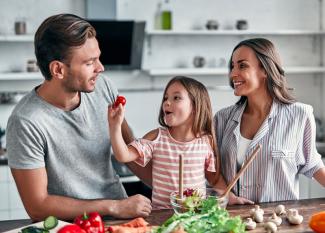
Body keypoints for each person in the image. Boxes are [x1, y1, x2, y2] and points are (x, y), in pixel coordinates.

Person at [6, 13, 152, 221]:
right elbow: (37, 206)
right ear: (58, 69)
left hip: (122, 218)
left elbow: (131, 152)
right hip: (74, 225)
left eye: (98, 58)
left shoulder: (103, 87)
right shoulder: (26, 122)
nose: (100, 68)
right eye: (89, 62)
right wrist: (114, 206)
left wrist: (168, 188)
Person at [214, 38, 325, 203]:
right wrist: (227, 196)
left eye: (242, 65)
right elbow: (212, 169)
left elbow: (312, 164)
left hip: (280, 222)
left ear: (265, 70)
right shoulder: (222, 119)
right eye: (232, 66)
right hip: (233, 222)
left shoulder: (300, 114)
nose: (233, 74)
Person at [108, 76, 220, 209]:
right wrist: (115, 127)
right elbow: (123, 156)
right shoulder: (157, 137)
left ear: (195, 107)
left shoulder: (206, 141)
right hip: (161, 216)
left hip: (196, 215)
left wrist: (229, 196)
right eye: (166, 98)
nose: (166, 102)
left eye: (176, 98)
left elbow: (215, 178)